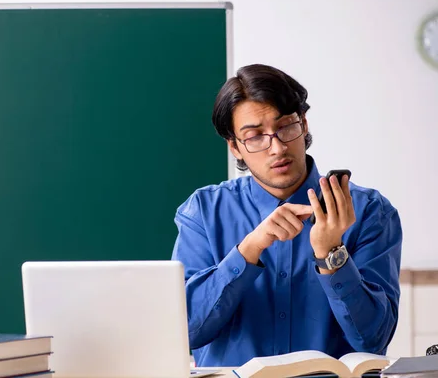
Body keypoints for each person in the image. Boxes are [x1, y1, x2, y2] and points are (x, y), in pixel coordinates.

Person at [171, 64, 402, 367]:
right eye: (254, 136)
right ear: (234, 147)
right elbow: (185, 332)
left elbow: (374, 340)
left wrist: (332, 255)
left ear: (303, 124)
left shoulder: (370, 212)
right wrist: (249, 250)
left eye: (285, 127)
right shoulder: (202, 213)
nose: (277, 147)